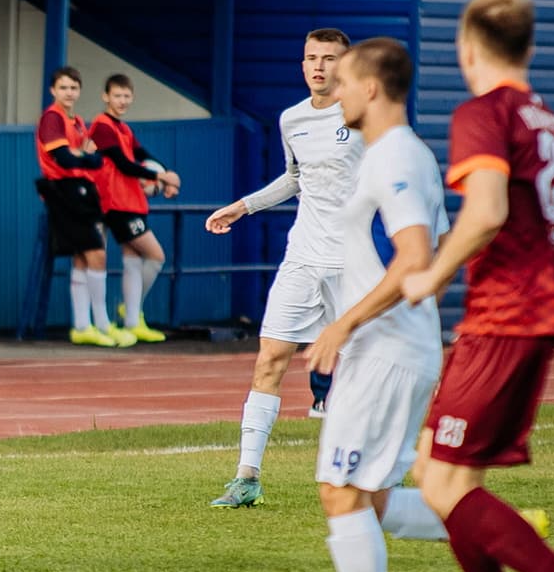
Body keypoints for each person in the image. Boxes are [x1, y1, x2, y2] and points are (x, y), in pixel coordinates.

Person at [401, 0, 554, 572]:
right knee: (437, 471)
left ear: (467, 49)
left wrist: (430, 278)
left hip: (503, 318)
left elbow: (486, 210)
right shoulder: (548, 120)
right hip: (531, 315)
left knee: (444, 487)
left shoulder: (484, 113)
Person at [298, 38, 451, 572]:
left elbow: (415, 259)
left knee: (339, 488)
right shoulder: (396, 154)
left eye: (344, 79)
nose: (332, 90)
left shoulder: (393, 157)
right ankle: (506, 534)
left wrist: (344, 323)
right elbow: (433, 249)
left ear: (371, 89)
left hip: (385, 348)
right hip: (391, 346)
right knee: (375, 499)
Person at [204, 28, 363, 508]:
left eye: (328, 58)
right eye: (310, 58)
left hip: (353, 264)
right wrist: (243, 206)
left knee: (362, 370)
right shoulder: (292, 118)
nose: (318, 66)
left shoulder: (365, 116)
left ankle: (372, 471)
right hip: (302, 259)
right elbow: (295, 178)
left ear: (346, 64)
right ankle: (246, 477)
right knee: (270, 358)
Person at [32, 66, 161, 347]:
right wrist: (86, 157)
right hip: (66, 191)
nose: (69, 93)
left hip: (82, 191)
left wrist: (84, 156)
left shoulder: (78, 121)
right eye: (63, 87)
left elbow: (91, 157)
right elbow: (67, 159)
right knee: (97, 255)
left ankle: (84, 325)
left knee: (83, 258)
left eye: (73, 88)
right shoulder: (52, 119)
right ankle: (102, 324)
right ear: (53, 90)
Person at [86, 74, 181, 343]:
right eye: (117, 95)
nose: (122, 101)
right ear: (106, 96)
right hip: (115, 203)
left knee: (133, 260)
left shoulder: (124, 129)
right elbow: (122, 164)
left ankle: (132, 320)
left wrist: (166, 173)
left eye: (127, 96)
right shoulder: (102, 127)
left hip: (129, 200)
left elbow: (142, 155)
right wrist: (160, 178)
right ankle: (125, 311)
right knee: (155, 255)